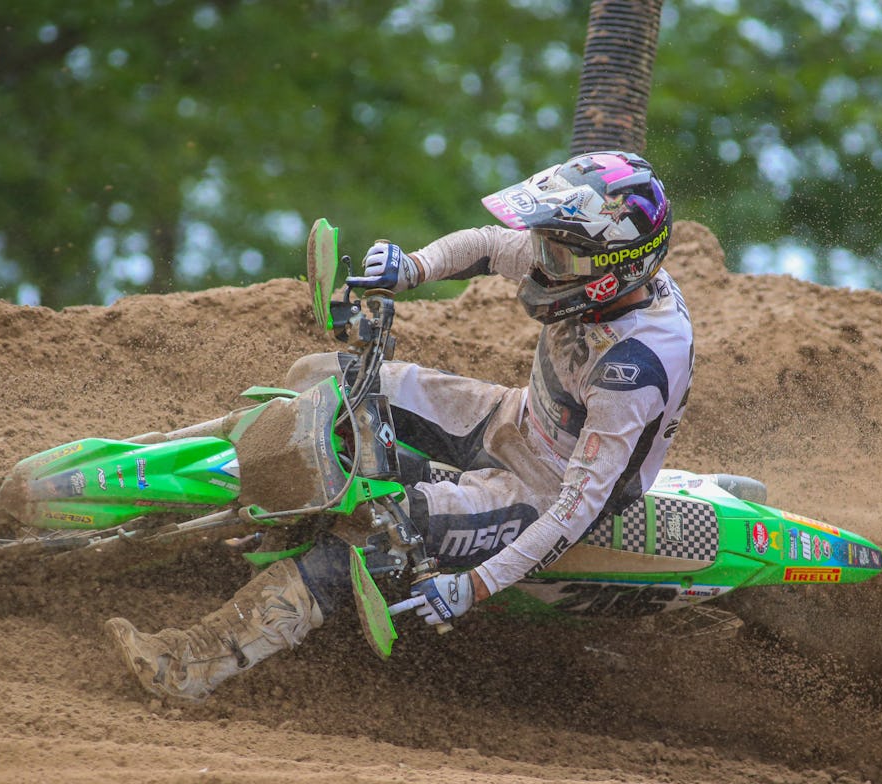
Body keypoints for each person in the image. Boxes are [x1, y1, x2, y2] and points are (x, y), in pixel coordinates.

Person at [107, 151, 693, 701]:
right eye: (545, 243)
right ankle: (137, 462)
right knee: (320, 379)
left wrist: (474, 587)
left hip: (542, 487)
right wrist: (412, 267)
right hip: (512, 417)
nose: (540, 260)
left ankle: (194, 663)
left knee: (375, 528)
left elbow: (577, 506)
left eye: (557, 254)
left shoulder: (632, 371)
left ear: (613, 270)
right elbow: (491, 244)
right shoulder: (590, 267)